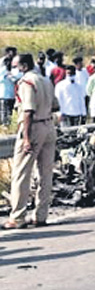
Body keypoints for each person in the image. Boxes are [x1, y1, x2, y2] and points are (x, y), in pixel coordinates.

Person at [3, 54, 56, 230]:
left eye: (17, 66)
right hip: (49, 125)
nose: (15, 70)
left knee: (21, 174)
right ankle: (41, 215)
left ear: (24, 66)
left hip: (33, 128)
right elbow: (55, 105)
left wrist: (25, 138)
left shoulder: (27, 82)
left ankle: (17, 217)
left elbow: (28, 111)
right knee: (45, 174)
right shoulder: (45, 80)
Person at [0, 55, 18, 126]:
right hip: (4, 95)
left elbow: (16, 78)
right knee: (4, 111)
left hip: (11, 95)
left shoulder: (13, 71)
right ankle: (5, 125)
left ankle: (7, 125)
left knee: (9, 112)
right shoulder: (2, 71)